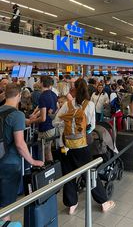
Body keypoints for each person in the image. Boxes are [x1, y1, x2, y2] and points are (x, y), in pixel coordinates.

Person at [53, 79, 115, 214]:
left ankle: (71, 204)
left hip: (65, 145)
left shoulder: (67, 105)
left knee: (69, 175)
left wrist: (66, 127)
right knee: (90, 172)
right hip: (82, 145)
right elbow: (92, 126)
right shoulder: (90, 105)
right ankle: (103, 202)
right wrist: (82, 132)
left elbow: (55, 122)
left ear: (73, 90)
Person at [0, 84, 43, 222]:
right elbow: (19, 144)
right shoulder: (16, 114)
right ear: (18, 96)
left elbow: (25, 121)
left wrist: (31, 118)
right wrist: (32, 161)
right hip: (10, 164)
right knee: (7, 204)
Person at [28, 76, 57, 161]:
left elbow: (43, 118)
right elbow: (44, 109)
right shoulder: (53, 94)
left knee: (44, 151)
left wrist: (31, 121)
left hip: (45, 128)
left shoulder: (43, 96)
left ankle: (44, 169)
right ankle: (51, 168)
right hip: (52, 126)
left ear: (41, 83)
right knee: (48, 150)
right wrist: (35, 114)